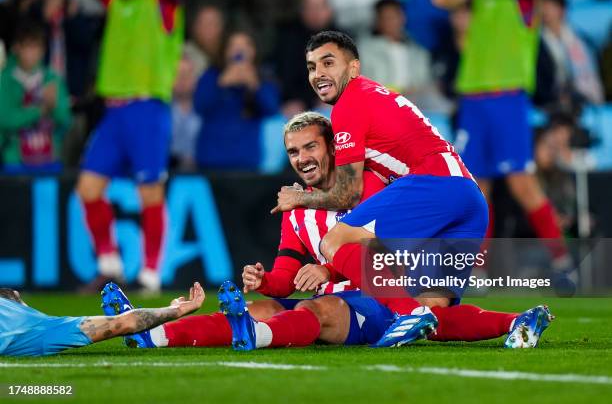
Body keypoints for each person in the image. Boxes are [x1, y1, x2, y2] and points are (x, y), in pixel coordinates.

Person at [102, 112, 553, 351]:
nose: (301, 158)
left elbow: (396, 250)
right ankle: (154, 334)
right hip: (355, 294)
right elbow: (286, 274)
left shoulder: (373, 187)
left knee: (327, 309)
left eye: (310, 146)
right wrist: (266, 279)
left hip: (384, 295)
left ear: (334, 147)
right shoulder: (298, 212)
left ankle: (256, 336)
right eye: (293, 151)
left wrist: (324, 264)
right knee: (263, 304)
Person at [268, 30, 488, 348]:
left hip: (433, 184)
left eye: (328, 63)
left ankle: (407, 315)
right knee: (434, 308)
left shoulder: (348, 104)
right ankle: (517, 324)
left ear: (354, 68)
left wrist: (298, 197)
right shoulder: (373, 94)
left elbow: (347, 195)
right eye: (312, 66)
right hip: (469, 197)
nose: (318, 74)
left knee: (336, 240)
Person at [433, 0, 578, 289]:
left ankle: (563, 261)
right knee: (475, 187)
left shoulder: (520, 1)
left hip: (508, 98)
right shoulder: (476, 4)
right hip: (472, 100)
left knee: (521, 183)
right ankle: (477, 271)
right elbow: (441, 1)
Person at [76, 0, 184, 293]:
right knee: (88, 188)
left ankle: (150, 275)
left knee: (150, 193)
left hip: (147, 106)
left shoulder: (163, 3)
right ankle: (109, 267)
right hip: (113, 110)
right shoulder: (116, 2)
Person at [0, 282, 204, 357]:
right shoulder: (41, 328)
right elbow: (125, 323)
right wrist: (174, 310)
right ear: (16, 299)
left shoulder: (39, 328)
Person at [194, 29, 279, 171]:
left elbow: (271, 109)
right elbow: (199, 106)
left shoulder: (262, 78)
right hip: (211, 160)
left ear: (254, 51)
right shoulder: (211, 75)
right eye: (233, 46)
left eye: (246, 46)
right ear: (225, 51)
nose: (239, 51)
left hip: (246, 160)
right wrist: (221, 83)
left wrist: (255, 86)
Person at [0, 21, 71, 174]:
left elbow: (65, 119)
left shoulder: (52, 79)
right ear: (17, 48)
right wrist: (40, 110)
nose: (32, 53)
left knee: (48, 198)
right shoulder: (5, 80)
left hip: (49, 161)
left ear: (43, 50)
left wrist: (53, 106)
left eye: (36, 47)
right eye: (27, 47)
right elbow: (5, 119)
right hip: (15, 162)